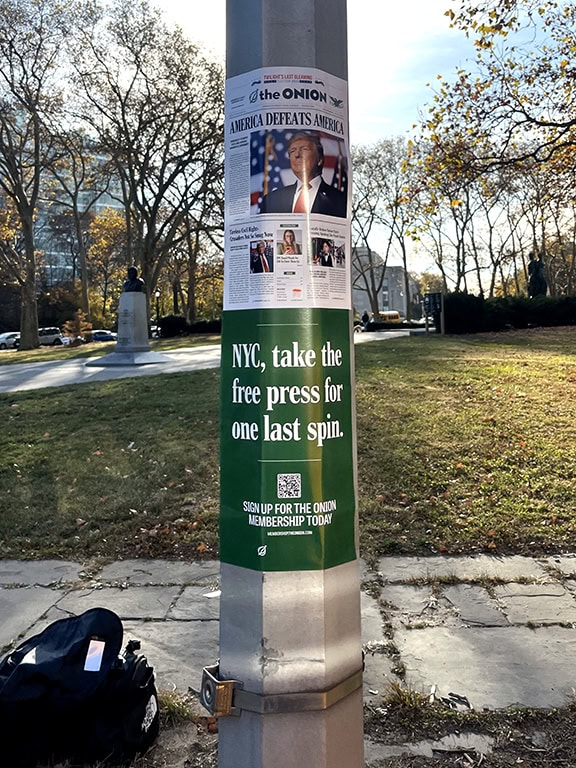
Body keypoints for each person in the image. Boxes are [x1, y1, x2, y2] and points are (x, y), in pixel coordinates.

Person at [259, 132, 347, 218]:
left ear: (319, 160)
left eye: (304, 149)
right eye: (292, 151)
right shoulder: (271, 200)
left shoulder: (341, 200)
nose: (297, 154)